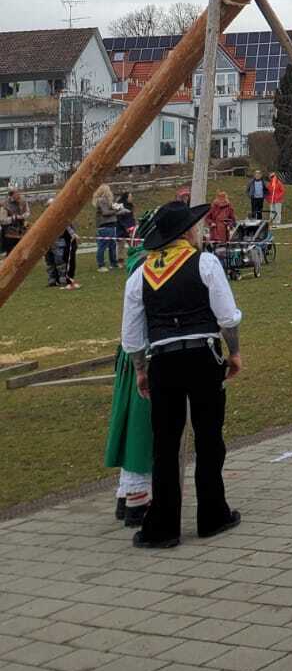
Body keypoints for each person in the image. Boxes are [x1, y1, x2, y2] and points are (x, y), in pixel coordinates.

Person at [120, 198, 244, 549]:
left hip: (163, 361)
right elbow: (227, 316)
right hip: (203, 356)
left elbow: (132, 336)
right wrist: (234, 353)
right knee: (209, 437)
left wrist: (141, 370)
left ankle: (163, 527)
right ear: (187, 232)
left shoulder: (140, 274)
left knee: (165, 444)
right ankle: (212, 514)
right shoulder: (204, 262)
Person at [104, 209, 157, 528]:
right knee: (141, 428)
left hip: (133, 351)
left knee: (136, 425)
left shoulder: (140, 261)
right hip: (143, 353)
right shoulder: (146, 267)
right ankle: (137, 500)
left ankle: (127, 495)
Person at [93, 183, 120, 271]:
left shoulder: (107, 201)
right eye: (109, 190)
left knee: (112, 245)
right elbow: (105, 213)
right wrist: (115, 210)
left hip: (111, 225)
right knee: (103, 246)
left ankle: (113, 263)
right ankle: (101, 265)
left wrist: (116, 208)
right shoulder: (101, 200)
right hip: (105, 226)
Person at [1, 187, 30, 258]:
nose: (19, 195)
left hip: (21, 229)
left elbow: (28, 212)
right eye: (17, 193)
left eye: (19, 192)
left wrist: (22, 216)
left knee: (22, 251)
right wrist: (13, 218)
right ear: (11, 195)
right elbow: (2, 220)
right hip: (9, 232)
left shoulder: (23, 201)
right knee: (10, 253)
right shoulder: (5, 204)